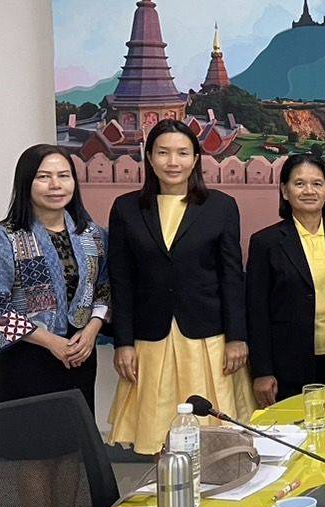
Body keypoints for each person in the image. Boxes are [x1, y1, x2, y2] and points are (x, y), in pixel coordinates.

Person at [0, 145, 110, 507]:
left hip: (78, 355)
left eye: (63, 176)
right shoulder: (4, 239)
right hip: (27, 361)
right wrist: (51, 342)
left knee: (70, 451)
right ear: (26, 183)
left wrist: (92, 329)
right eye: (44, 177)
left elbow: (104, 289)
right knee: (34, 455)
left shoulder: (92, 235)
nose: (55, 185)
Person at [107, 119, 252, 455]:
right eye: (163, 153)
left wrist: (237, 337)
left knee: (213, 438)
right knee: (157, 432)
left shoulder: (221, 206)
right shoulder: (126, 208)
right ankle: (167, 488)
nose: (173, 162)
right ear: (149, 157)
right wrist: (123, 342)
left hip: (208, 338)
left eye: (183, 153)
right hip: (151, 338)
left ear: (196, 158)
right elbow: (121, 281)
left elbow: (232, 277)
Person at [246, 153, 325, 407]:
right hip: (288, 365)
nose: (309, 191)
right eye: (299, 183)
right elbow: (256, 311)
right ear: (285, 191)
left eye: (317, 183)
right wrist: (262, 370)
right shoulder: (265, 243)